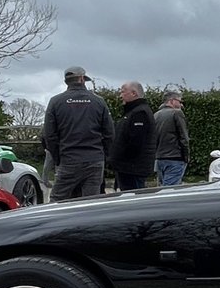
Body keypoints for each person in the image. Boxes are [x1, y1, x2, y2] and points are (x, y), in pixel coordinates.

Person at [42, 65, 114, 201]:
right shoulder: (98, 101)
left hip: (68, 158)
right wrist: (103, 155)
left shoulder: (56, 102)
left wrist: (58, 158)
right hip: (94, 159)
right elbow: (109, 133)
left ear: (66, 81)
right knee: (91, 202)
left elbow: (49, 135)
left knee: (58, 201)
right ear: (82, 79)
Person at [109, 80, 157, 191]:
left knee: (133, 198)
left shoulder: (140, 113)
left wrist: (122, 159)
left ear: (134, 93)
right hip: (128, 167)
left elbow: (136, 142)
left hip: (132, 168)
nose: (120, 96)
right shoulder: (132, 112)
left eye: (123, 92)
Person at [154, 90, 190, 186]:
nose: (181, 105)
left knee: (161, 188)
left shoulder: (156, 115)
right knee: (170, 191)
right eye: (179, 101)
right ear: (172, 101)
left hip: (159, 158)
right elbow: (184, 137)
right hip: (175, 158)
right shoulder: (177, 113)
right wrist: (186, 157)